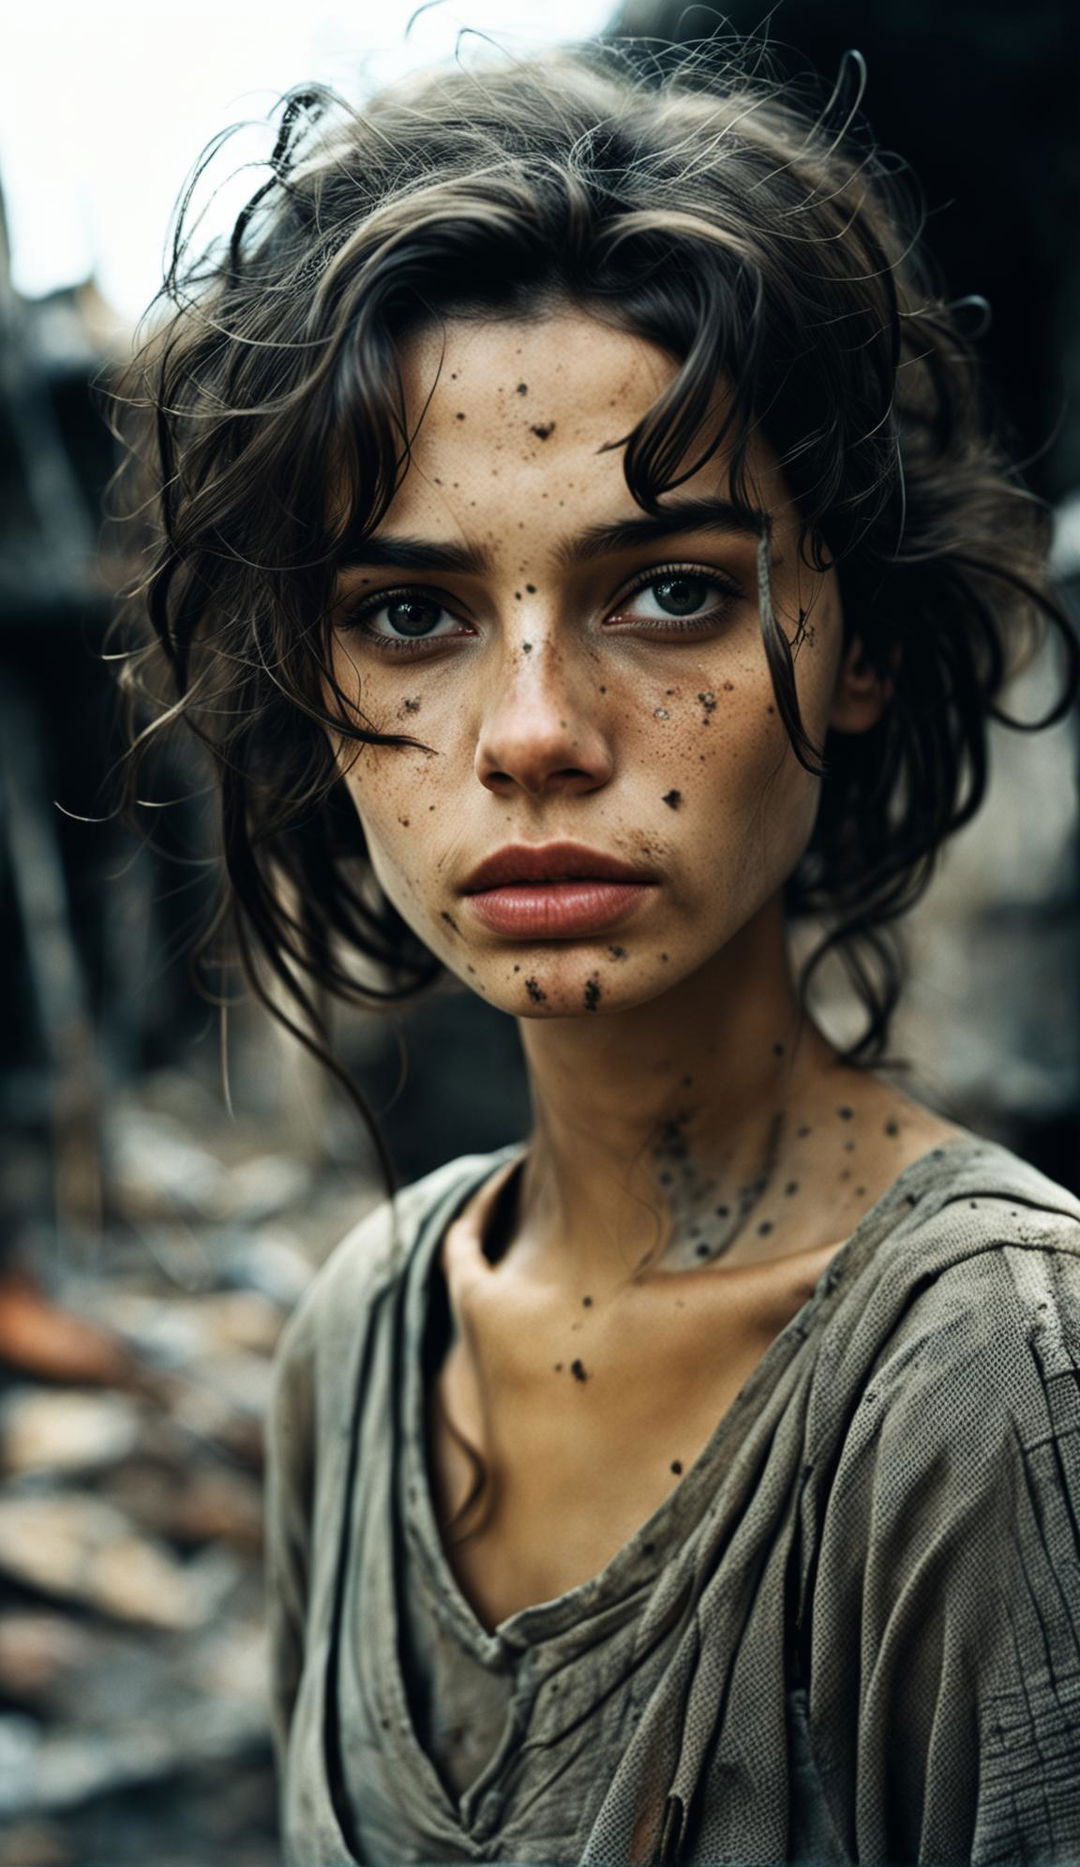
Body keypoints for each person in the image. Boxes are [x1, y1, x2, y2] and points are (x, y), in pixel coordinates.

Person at [114, 37, 1080, 1867]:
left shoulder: (1004, 1385)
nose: (536, 727)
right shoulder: (365, 1343)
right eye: (412, 613)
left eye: (672, 591)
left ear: (856, 640)